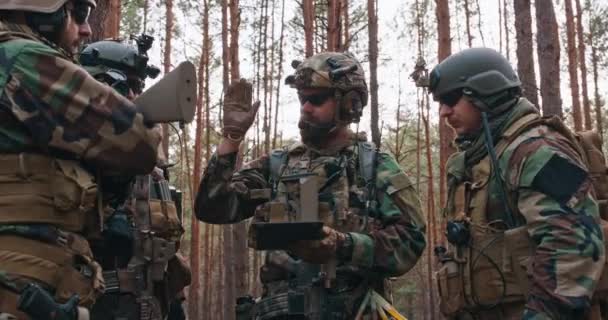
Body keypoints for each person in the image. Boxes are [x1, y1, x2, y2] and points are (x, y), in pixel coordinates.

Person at [194, 51, 426, 319]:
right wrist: (231, 138)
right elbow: (213, 207)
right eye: (302, 98)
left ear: (349, 103)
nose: (305, 107)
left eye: (315, 99)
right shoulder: (279, 164)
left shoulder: (374, 166)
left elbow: (412, 239)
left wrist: (345, 244)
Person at [0, 1, 161, 319]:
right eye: (78, 14)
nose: (86, 29)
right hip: (19, 275)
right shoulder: (20, 56)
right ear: (40, 11)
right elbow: (139, 142)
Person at [429, 47, 605, 319]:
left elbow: (573, 246)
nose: (444, 111)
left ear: (486, 91)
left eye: (451, 98)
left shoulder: (537, 149)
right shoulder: (480, 159)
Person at [80, 37, 191, 320]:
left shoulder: (153, 171)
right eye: (124, 85)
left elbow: (164, 258)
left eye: (137, 87)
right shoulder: (72, 150)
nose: (133, 96)